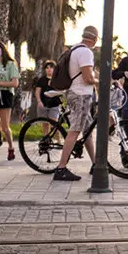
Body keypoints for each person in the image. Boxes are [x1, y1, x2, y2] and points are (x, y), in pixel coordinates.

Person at [53, 26, 99, 181]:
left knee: (87, 132)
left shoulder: (75, 49)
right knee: (75, 131)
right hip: (80, 95)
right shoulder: (86, 52)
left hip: (77, 93)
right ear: (95, 39)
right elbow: (87, 78)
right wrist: (102, 81)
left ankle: (96, 164)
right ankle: (61, 169)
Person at [35, 60, 62, 136]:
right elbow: (37, 92)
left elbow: (61, 91)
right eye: (47, 68)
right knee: (45, 124)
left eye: (51, 67)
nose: (49, 69)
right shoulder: (41, 79)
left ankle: (58, 140)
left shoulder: (57, 79)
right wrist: (39, 101)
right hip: (43, 104)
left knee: (54, 124)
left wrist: (53, 85)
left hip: (55, 104)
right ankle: (46, 139)